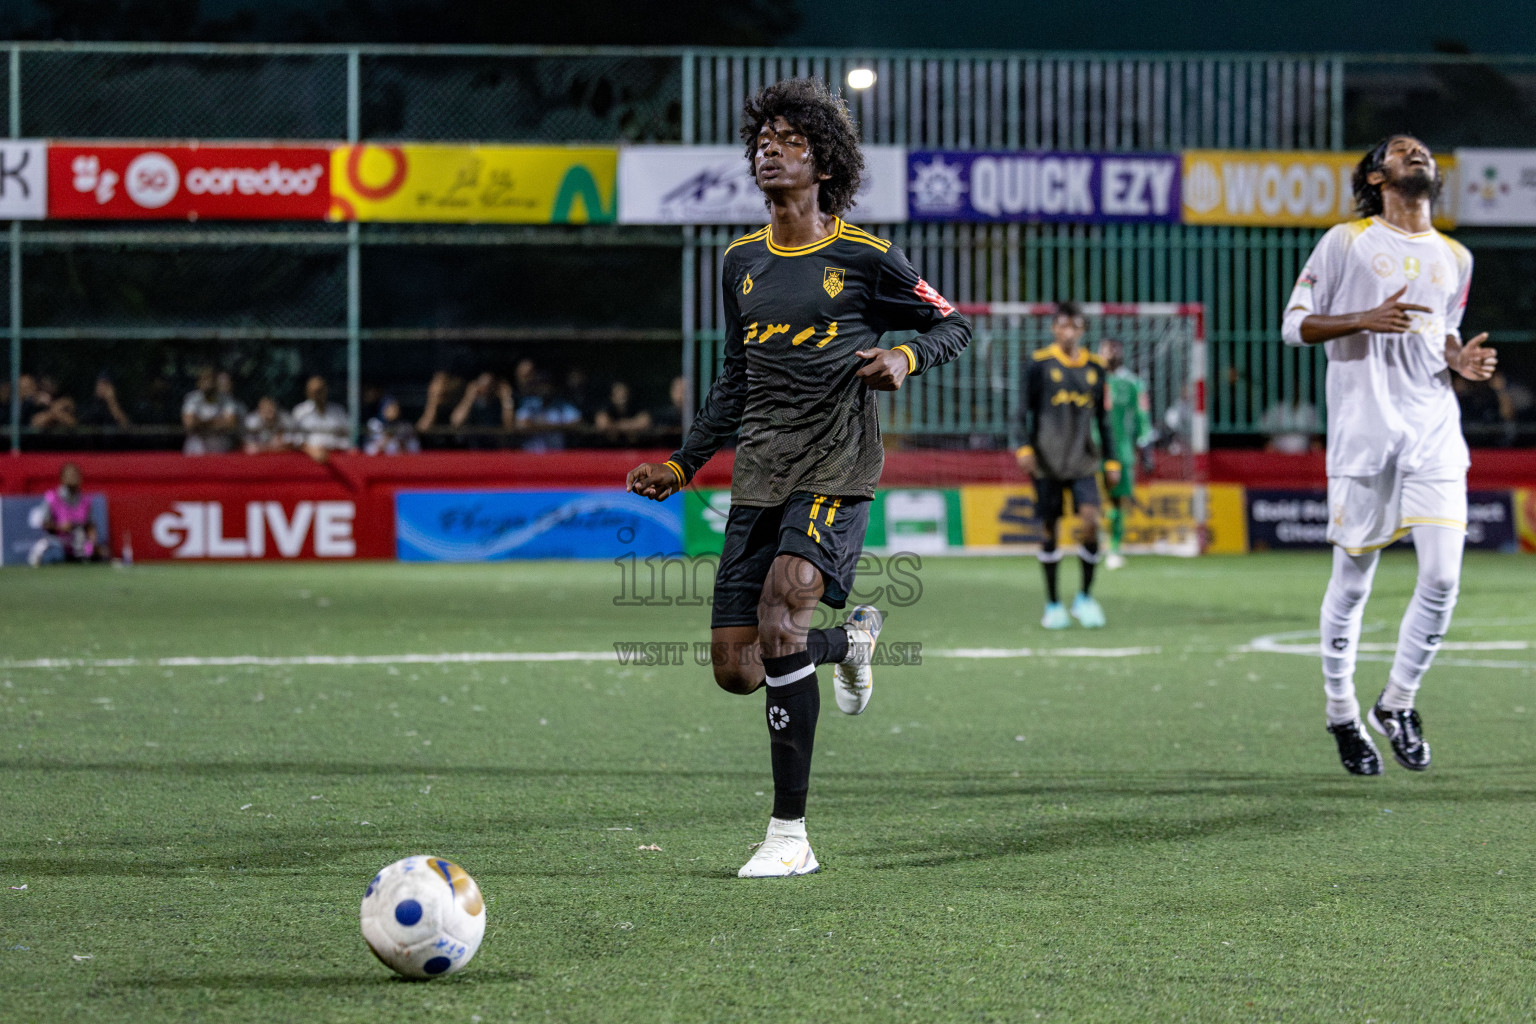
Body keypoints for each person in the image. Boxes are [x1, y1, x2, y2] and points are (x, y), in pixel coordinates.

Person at [625, 78, 971, 878]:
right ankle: (849, 641)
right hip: (761, 470)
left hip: (837, 465)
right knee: (737, 668)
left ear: (824, 163)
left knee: (782, 615)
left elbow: (953, 322)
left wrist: (904, 355)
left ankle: (790, 836)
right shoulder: (739, 261)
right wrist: (683, 464)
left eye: (790, 140)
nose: (769, 151)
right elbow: (735, 377)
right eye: (762, 140)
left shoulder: (866, 256)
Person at [1281, 134, 1496, 776]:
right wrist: (1361, 318)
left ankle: (1397, 701)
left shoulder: (1456, 256)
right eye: (1403, 151)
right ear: (1377, 176)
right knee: (1353, 582)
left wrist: (1458, 360)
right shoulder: (1346, 242)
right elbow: (1295, 325)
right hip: (1364, 437)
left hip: (1433, 432)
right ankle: (1342, 711)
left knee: (1443, 577)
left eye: (1423, 151)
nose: (1418, 155)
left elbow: (1442, 330)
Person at [1015, 302, 1120, 629]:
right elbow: (1020, 412)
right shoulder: (1039, 364)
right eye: (1063, 326)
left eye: (1075, 327)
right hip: (1046, 462)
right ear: (1054, 329)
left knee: (1091, 523)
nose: (1068, 332)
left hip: (1084, 461)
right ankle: (1053, 604)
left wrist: (1112, 459)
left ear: (1082, 331)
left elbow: (1104, 419)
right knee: (1049, 531)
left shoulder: (1095, 367)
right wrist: (1023, 448)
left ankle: (1085, 597)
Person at [1100, 338, 1154, 570]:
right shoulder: (1091, 379)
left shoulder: (1132, 383)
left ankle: (1113, 547)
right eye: (1104, 349)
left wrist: (1146, 444)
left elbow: (1143, 416)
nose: (1109, 354)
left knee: (1117, 499)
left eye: (1113, 349)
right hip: (1091, 448)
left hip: (1120, 450)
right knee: (1090, 499)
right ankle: (1097, 542)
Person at [28, 462, 108, 566]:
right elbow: (44, 523)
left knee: (101, 554)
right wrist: (60, 527)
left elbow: (90, 526)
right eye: (69, 475)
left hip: (78, 542)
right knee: (57, 555)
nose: (72, 477)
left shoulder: (86, 501)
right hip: (58, 541)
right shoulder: (52, 498)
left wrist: (92, 542)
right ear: (62, 478)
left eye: (75, 475)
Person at [514, 373, 580, 453]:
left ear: (552, 387)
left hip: (556, 454)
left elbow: (577, 422)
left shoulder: (561, 405)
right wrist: (555, 427)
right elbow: (521, 424)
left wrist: (540, 425)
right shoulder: (529, 404)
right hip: (531, 454)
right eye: (541, 385)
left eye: (546, 385)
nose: (544, 388)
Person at [291, 376, 351, 461]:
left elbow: (347, 436)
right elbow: (296, 439)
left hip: (337, 457)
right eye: (314, 392)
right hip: (309, 459)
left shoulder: (338, 411)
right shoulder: (300, 412)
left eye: (320, 391)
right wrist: (311, 450)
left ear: (326, 390)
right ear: (308, 392)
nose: (317, 395)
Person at [181, 368, 241, 455]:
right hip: (196, 447)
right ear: (199, 383)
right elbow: (189, 423)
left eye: (211, 380)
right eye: (205, 379)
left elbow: (231, 423)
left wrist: (201, 422)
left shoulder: (227, 399)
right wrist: (217, 422)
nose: (208, 383)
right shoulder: (192, 398)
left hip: (219, 446)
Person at [594, 380, 651, 445]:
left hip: (636, 446)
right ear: (612, 396)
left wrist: (615, 425)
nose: (622, 395)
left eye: (624, 393)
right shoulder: (606, 407)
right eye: (618, 393)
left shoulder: (636, 406)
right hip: (608, 448)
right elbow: (602, 425)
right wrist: (630, 425)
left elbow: (644, 423)